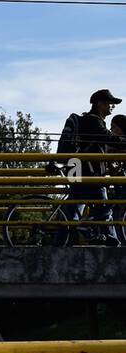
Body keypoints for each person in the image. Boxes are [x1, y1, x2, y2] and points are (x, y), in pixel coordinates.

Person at [68, 89, 122, 246]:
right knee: (103, 206)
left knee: (74, 206)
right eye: (110, 104)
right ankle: (112, 240)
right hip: (88, 170)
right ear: (100, 104)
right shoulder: (93, 121)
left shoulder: (88, 120)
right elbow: (108, 137)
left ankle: (65, 238)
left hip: (76, 167)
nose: (112, 107)